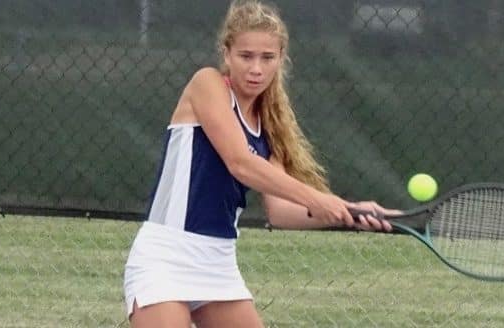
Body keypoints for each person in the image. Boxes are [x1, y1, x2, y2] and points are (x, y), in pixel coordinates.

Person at [123, 1, 401, 327]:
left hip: (218, 263)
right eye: (246, 56)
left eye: (267, 58)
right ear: (227, 54)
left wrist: (348, 213)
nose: (256, 68)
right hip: (165, 257)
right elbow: (240, 162)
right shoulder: (207, 84)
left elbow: (280, 212)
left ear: (280, 59)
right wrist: (317, 198)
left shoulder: (270, 125)